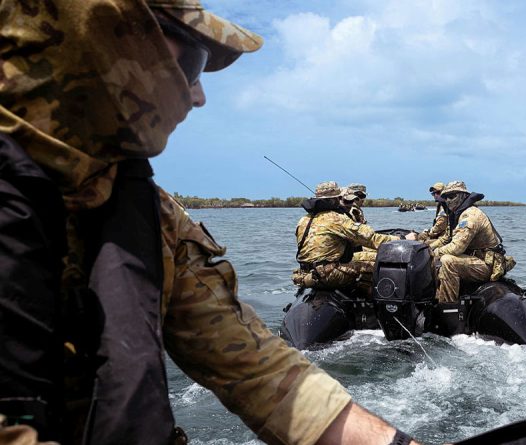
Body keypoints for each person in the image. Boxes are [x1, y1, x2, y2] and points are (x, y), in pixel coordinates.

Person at [0, 1, 420, 444]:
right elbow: (368, 240)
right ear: (101, 42)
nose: (198, 96)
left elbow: (257, 368)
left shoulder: (153, 221)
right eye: (193, 65)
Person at [293, 182, 414, 291]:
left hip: (306, 274)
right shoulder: (337, 219)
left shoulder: (304, 219)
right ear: (336, 198)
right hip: (329, 276)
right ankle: (374, 307)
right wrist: (403, 239)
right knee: (380, 266)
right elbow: (370, 238)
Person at [429, 181, 515, 303]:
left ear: (463, 196)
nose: (448, 200)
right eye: (445, 197)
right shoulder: (456, 215)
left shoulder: (470, 215)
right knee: (435, 257)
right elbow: (446, 239)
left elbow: (456, 248)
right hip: (474, 259)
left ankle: (447, 307)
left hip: (486, 264)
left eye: (452, 196)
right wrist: (426, 248)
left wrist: (433, 253)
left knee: (447, 261)